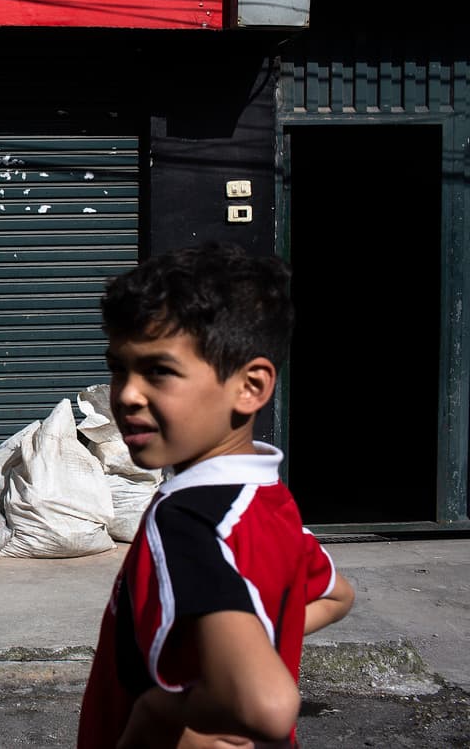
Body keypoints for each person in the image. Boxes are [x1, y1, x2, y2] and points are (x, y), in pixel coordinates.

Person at [76, 241, 355, 749]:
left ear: (250, 387)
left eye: (159, 371)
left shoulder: (186, 520)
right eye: (120, 368)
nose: (127, 394)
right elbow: (336, 595)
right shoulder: (271, 504)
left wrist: (159, 713)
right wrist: (253, 649)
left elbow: (265, 706)